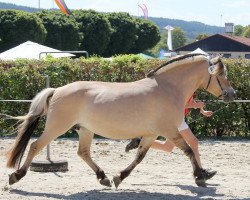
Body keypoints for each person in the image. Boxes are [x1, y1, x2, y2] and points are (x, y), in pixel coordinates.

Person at [125, 95, 217, 180]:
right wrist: (194, 105)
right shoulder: (183, 83)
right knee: (194, 142)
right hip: (175, 118)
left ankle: (139, 141)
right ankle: (199, 172)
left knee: (167, 147)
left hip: (178, 118)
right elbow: (178, 104)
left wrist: (202, 110)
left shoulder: (190, 84)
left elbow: (191, 101)